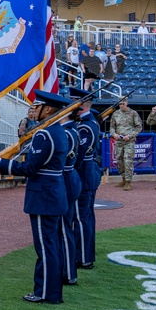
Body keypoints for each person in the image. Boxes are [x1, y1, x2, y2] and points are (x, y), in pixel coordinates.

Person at [0, 90, 70, 304]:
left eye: (38, 107)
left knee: (45, 247)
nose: (34, 110)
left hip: (43, 196)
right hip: (54, 192)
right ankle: (52, 292)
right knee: (52, 245)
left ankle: (45, 293)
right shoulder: (59, 132)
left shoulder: (44, 135)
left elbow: (30, 168)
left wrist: (2, 164)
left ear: (48, 109)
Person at [71, 91, 100, 270]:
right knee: (86, 216)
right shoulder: (89, 123)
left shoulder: (85, 127)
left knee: (81, 217)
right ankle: (85, 254)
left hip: (83, 175)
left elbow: (78, 156)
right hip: (89, 174)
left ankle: (83, 257)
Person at [60, 109, 83, 287]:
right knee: (65, 226)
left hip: (66, 179)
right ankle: (67, 269)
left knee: (64, 227)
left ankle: (68, 272)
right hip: (72, 176)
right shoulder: (73, 130)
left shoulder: (67, 133)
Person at [109, 98, 142, 191]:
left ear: (127, 103)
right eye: (120, 104)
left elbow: (139, 127)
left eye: (123, 104)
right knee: (119, 161)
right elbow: (112, 127)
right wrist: (114, 134)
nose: (121, 106)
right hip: (119, 141)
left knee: (128, 161)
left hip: (129, 141)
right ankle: (123, 178)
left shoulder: (133, 113)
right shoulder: (116, 114)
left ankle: (128, 182)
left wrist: (130, 135)